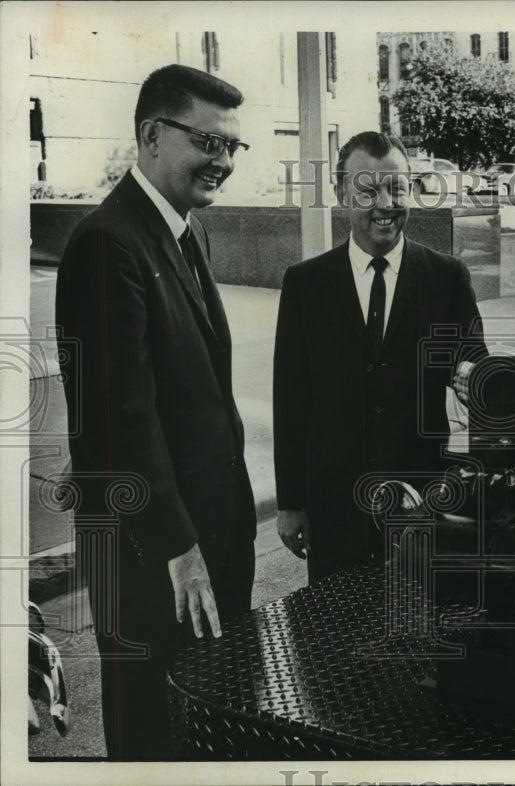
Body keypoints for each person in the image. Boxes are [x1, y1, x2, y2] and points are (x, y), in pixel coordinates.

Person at [55, 64, 256, 760]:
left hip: (200, 544)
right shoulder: (107, 242)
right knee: (153, 736)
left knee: (202, 729)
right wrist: (179, 549)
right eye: (208, 140)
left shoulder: (182, 231)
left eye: (233, 146)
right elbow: (118, 419)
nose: (223, 161)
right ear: (150, 135)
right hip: (155, 560)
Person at [273, 131, 486, 583]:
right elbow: (290, 400)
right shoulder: (305, 284)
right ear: (339, 192)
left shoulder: (447, 278)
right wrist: (291, 502)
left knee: (419, 636)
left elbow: (474, 373)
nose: (385, 204)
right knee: (333, 640)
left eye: (397, 188)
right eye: (367, 190)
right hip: (335, 510)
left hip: (425, 505)